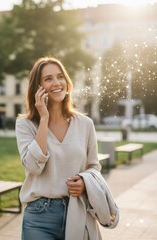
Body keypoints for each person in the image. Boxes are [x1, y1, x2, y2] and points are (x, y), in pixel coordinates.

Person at [15, 57, 119, 240]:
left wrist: (84, 182)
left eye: (60, 77)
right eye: (48, 79)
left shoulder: (85, 124)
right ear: (37, 87)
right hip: (40, 217)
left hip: (77, 211)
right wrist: (44, 119)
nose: (56, 83)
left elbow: (94, 167)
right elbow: (33, 167)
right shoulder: (25, 125)